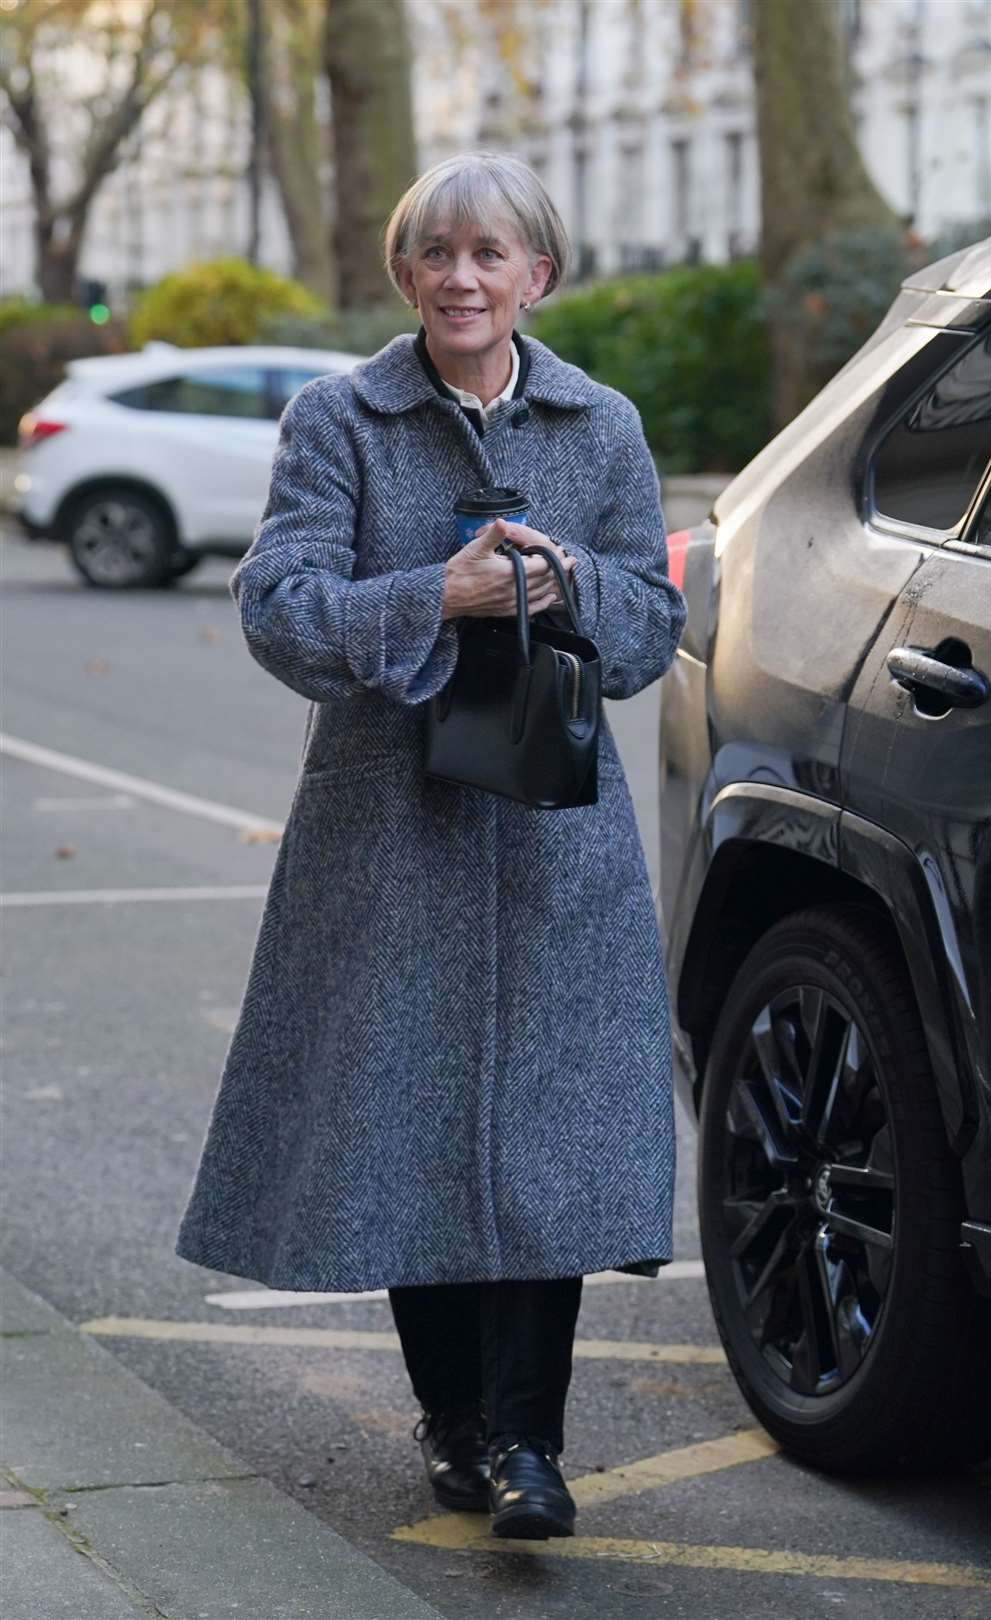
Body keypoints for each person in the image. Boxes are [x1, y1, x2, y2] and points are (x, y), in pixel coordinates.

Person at [175, 150, 687, 1540]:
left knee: (548, 1145)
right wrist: (436, 595)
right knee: (414, 1130)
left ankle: (531, 1445)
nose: (463, 276)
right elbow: (281, 606)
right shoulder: (340, 418)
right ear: (406, 276)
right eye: (437, 253)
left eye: (491, 253)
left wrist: (574, 579)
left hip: (555, 840)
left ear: (540, 276)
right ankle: (457, 1422)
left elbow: (650, 631)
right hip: (389, 834)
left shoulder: (604, 429)